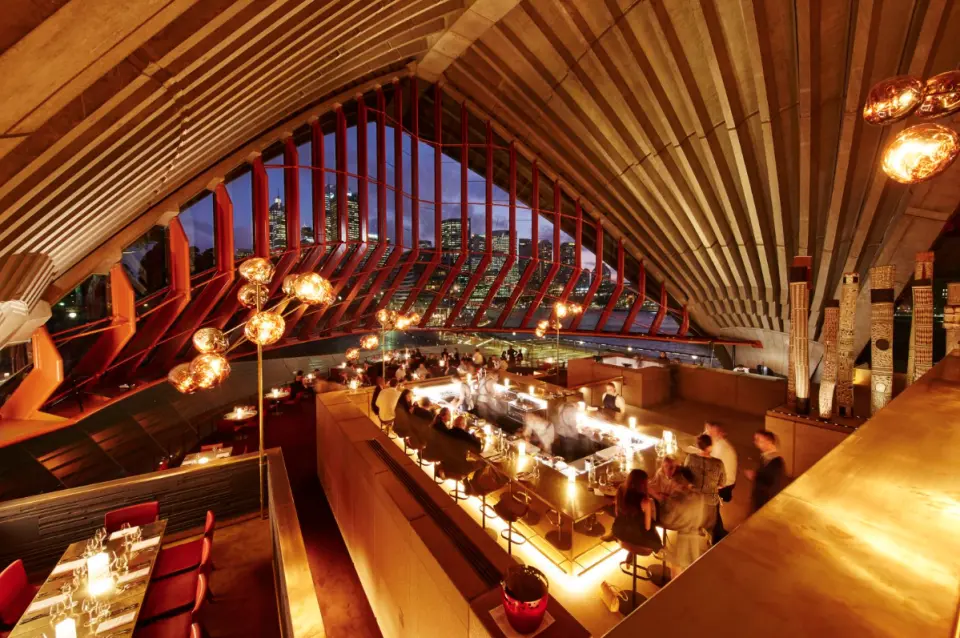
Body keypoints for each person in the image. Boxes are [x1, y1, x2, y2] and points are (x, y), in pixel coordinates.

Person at [658, 467, 709, 576]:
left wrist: (662, 502)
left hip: (682, 541)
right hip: (696, 539)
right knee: (693, 570)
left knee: (677, 571)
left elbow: (666, 520)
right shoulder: (699, 496)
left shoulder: (677, 498)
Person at [683, 434, 726, 539]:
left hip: (694, 499)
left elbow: (684, 477)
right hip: (710, 501)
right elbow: (722, 484)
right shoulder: (718, 463)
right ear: (709, 447)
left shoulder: (690, 458)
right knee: (713, 527)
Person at [611, 469, 662, 552]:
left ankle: (630, 557)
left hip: (618, 531)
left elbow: (617, 512)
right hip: (635, 535)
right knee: (658, 544)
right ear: (643, 483)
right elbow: (647, 527)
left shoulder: (621, 490)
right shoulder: (645, 501)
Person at [704, 422, 737, 542]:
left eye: (708, 431)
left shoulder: (721, 448)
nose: (706, 433)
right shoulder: (719, 445)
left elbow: (713, 470)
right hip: (723, 480)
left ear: (716, 433)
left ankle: (717, 534)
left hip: (725, 484)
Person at [746, 429, 786, 512]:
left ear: (769, 441)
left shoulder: (777, 462)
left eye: (759, 440)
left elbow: (773, 485)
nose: (755, 443)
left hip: (765, 503)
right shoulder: (765, 456)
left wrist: (755, 476)